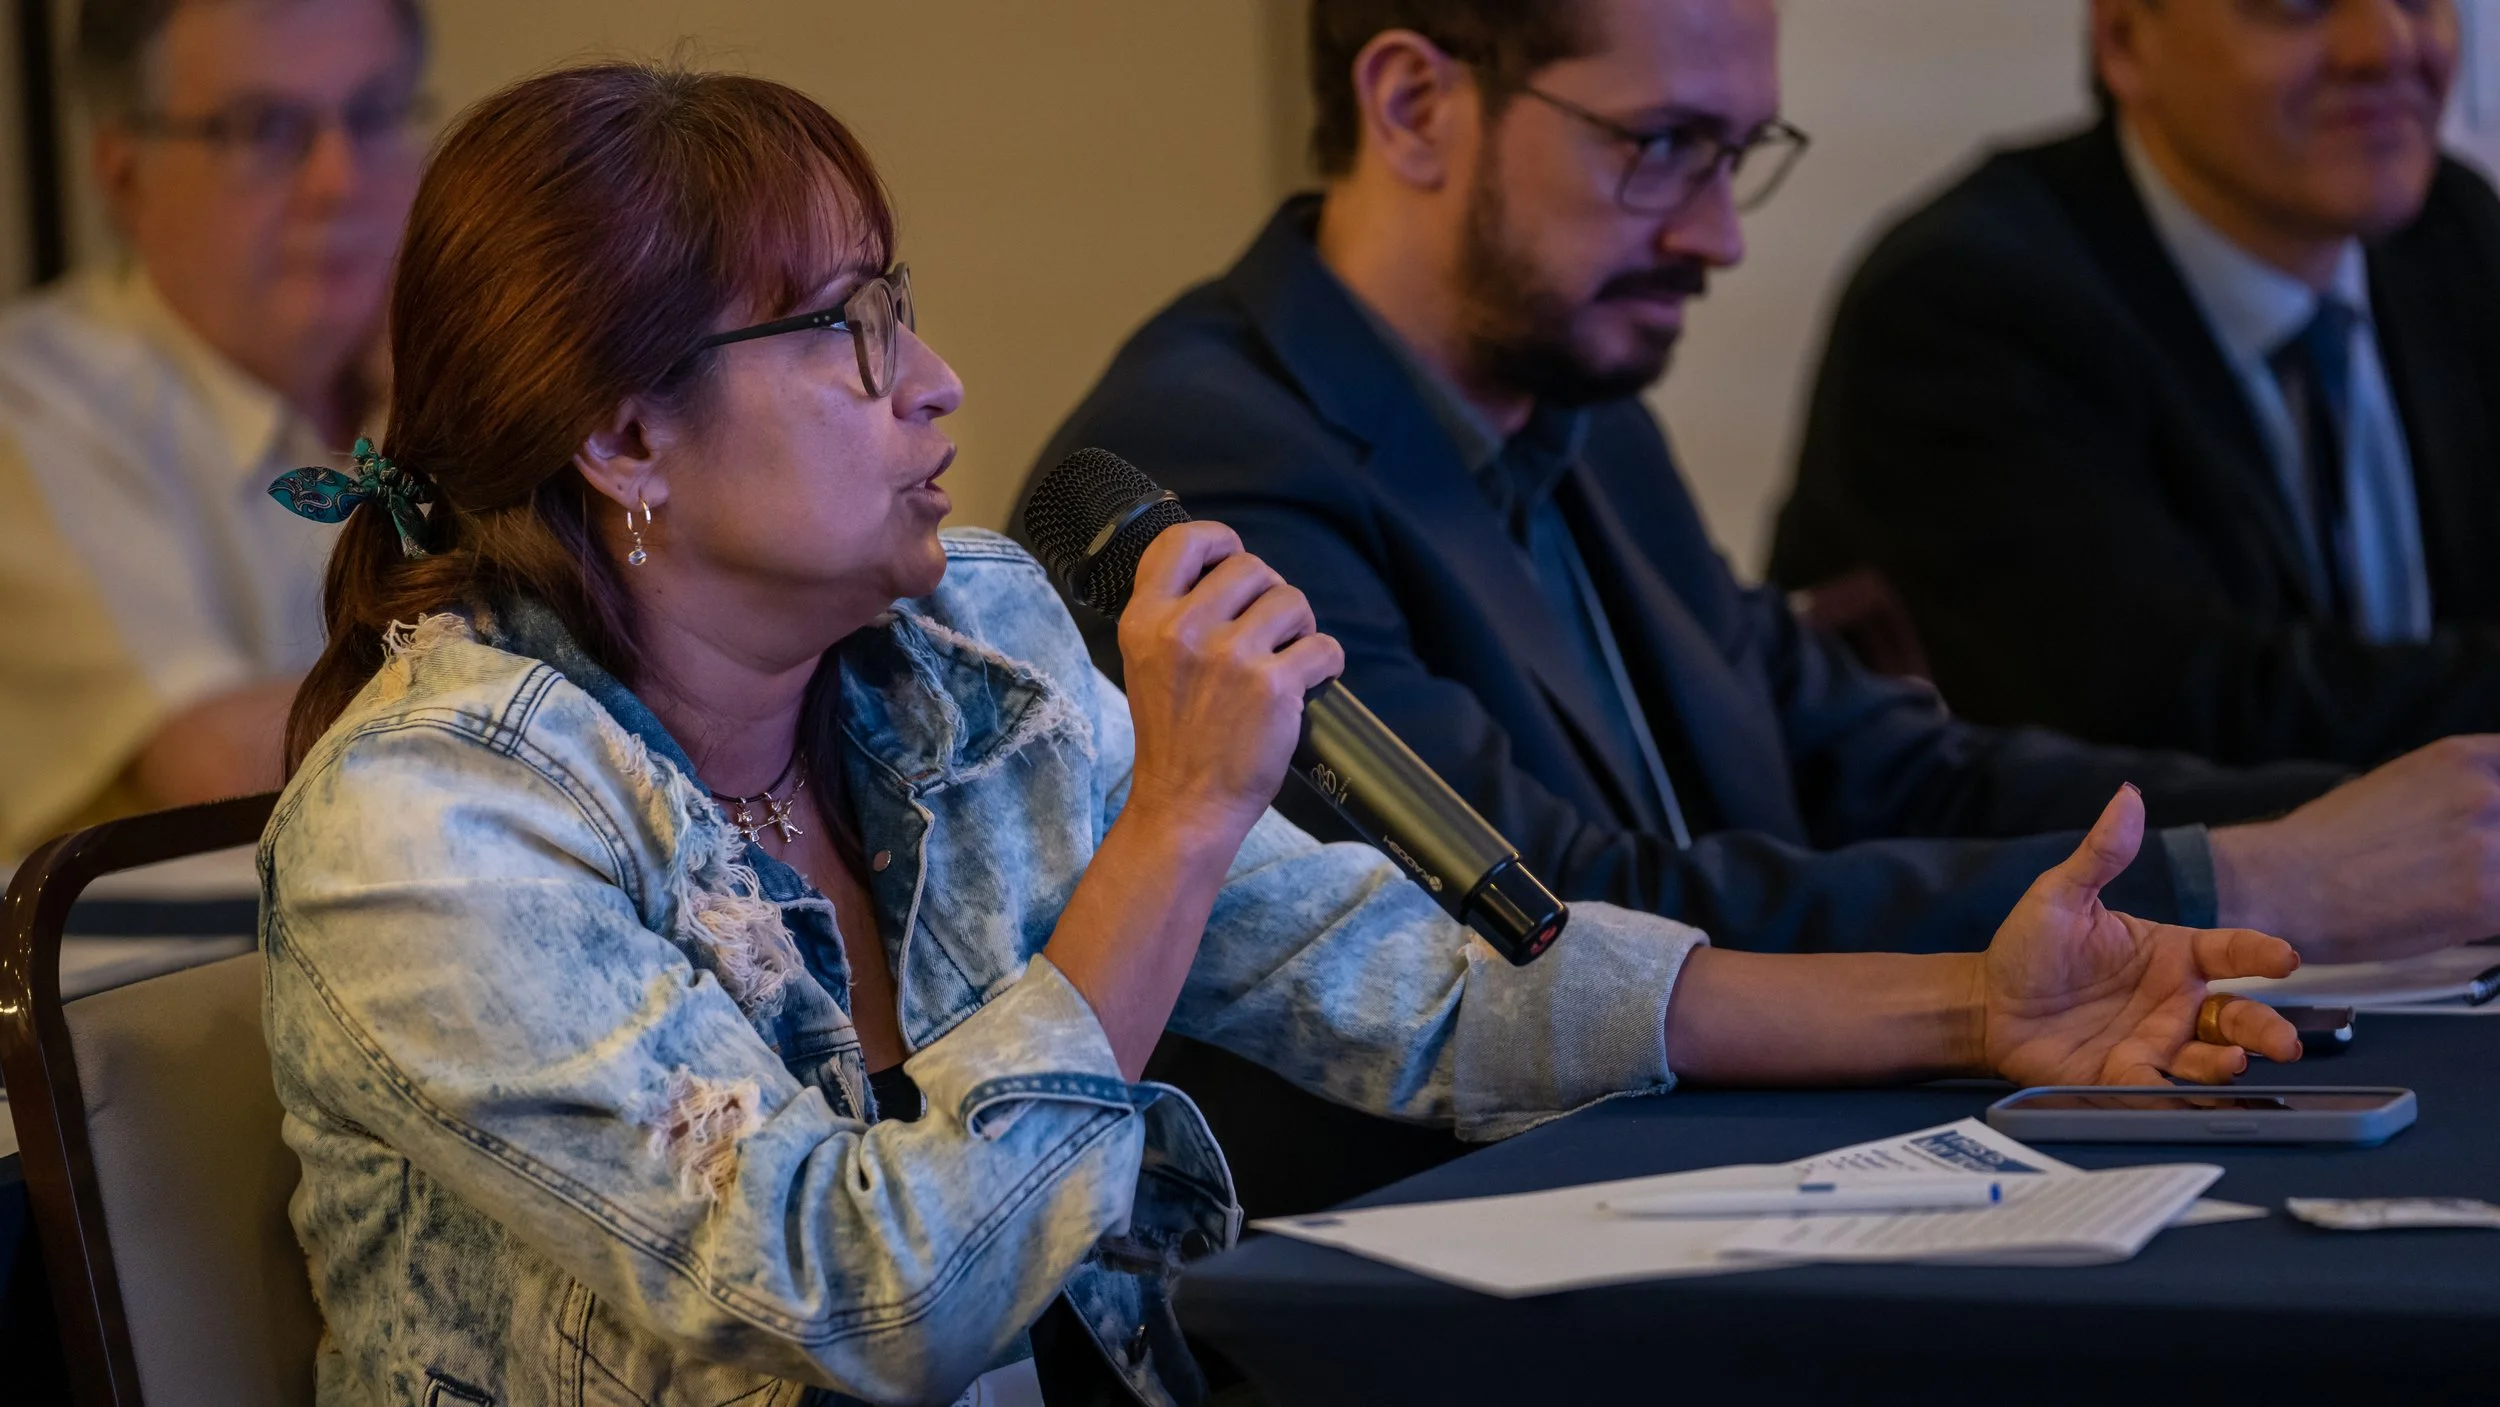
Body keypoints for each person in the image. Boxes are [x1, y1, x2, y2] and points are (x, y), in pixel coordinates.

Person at [263, 62, 2300, 1407]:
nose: (942, 382)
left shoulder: (952, 641)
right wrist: (1171, 813)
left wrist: (1966, 1006)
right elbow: (859, 1295)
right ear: (621, 435)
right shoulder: (431, 831)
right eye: (852, 329)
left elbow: (1410, 987)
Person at [1017, 0, 2500, 1210]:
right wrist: (2253, 884)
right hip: (1437, 1281)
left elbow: (1886, 761)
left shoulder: (1576, 398)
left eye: (1738, 153)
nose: (1721, 236)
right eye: (1662, 148)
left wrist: (2359, 831)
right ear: (1412, 103)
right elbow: (1556, 923)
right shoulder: (1207, 476)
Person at [1773, 0, 2500, 769]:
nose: (2385, 46)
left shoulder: (2447, 233)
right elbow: (2172, 719)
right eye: (2300, 6)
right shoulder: (1968, 305)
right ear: (2124, 40)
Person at [0, 0, 428, 857]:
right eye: (264, 128)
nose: (339, 181)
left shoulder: (444, 395)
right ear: (125, 178)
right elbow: (224, 761)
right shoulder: (33, 404)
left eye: (376, 114)